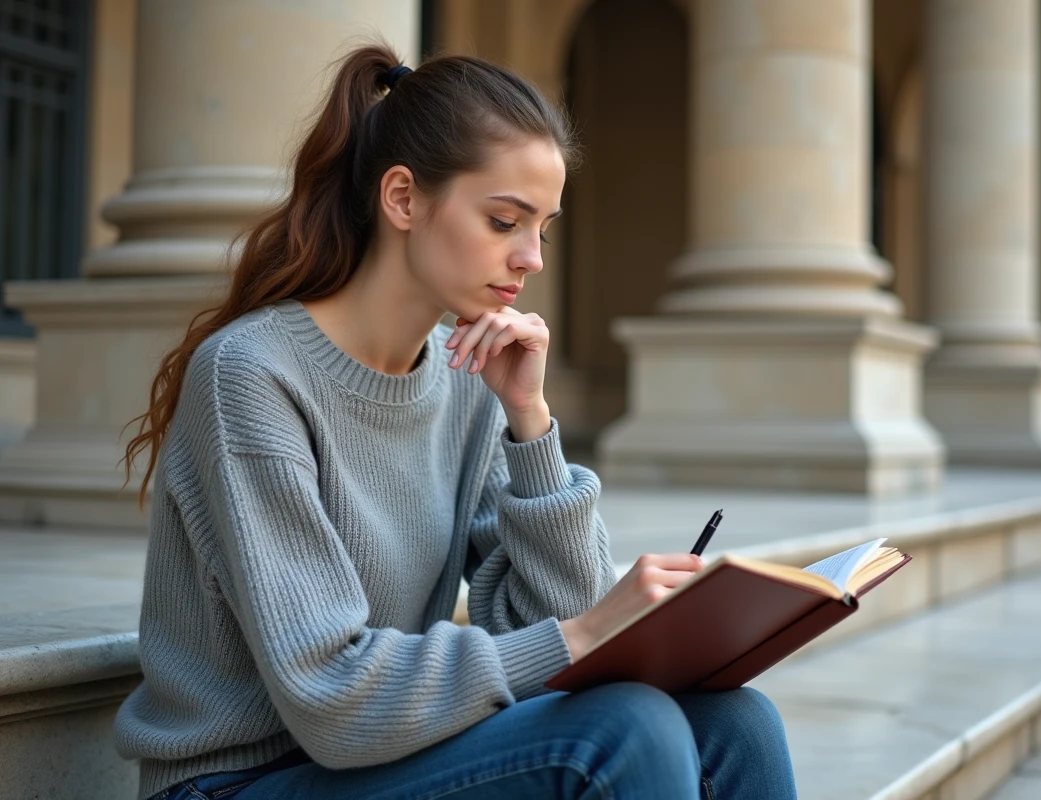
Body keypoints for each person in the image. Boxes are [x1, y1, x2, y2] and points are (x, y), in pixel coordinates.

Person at [114, 41, 797, 800]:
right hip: (240, 780)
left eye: (544, 228)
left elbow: (562, 635)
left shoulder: (469, 382)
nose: (531, 257)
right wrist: (584, 633)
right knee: (626, 734)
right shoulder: (251, 375)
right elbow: (331, 699)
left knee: (737, 725)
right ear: (403, 199)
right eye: (505, 220)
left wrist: (530, 425)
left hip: (387, 761)